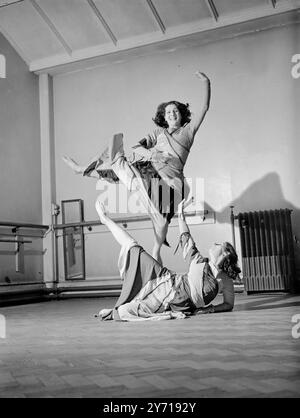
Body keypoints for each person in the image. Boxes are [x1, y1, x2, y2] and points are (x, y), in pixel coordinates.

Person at [63, 71, 211, 264]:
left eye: (175, 111)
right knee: (116, 156)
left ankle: (156, 251)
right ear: (164, 118)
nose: (172, 114)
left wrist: (206, 83)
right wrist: (153, 154)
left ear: (181, 114)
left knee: (162, 219)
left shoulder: (188, 132)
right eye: (168, 112)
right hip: (149, 170)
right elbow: (137, 146)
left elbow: (205, 107)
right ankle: (82, 169)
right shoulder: (158, 133)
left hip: (170, 182)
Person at [94, 196, 241, 322]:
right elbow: (185, 236)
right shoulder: (199, 261)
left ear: (225, 254)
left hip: (172, 299)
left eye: (219, 244)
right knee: (133, 247)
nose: (214, 244)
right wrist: (181, 213)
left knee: (124, 311)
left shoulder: (225, 280)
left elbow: (229, 304)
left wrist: (210, 309)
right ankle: (105, 219)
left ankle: (115, 310)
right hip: (166, 283)